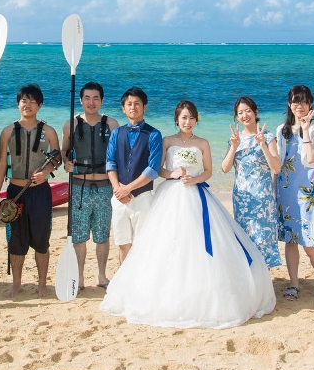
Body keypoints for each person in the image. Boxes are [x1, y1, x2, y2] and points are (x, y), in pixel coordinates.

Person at [100, 101, 275, 328]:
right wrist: (172, 174)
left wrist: (194, 179)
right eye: (183, 118)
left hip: (196, 195)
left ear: (196, 120)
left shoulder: (202, 143)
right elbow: (158, 169)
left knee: (198, 244)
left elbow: (209, 171)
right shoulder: (167, 141)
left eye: (191, 118)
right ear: (177, 119)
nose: (187, 122)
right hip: (170, 195)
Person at [0, 85, 61, 297]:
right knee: (16, 239)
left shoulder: (49, 131)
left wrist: (46, 172)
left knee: (42, 239)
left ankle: (42, 283)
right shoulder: (7, 131)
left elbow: (58, 159)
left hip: (40, 192)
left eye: (32, 101)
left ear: (39, 105)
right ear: (18, 104)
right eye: (24, 100)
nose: (27, 104)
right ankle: (16, 283)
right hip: (15, 191)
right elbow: (1, 166)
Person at [275, 85, 314, 304]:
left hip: (307, 192)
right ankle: (294, 283)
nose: (300, 106)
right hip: (286, 191)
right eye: (295, 101)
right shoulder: (282, 130)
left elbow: (311, 159)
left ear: (311, 104)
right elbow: (278, 164)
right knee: (290, 240)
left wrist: (305, 131)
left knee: (309, 243)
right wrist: (274, 192)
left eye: (304, 101)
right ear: (289, 104)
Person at [61, 82, 119, 289]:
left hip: (104, 187)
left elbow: (119, 156)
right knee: (79, 235)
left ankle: (102, 276)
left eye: (95, 98)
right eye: (87, 98)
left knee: (102, 235)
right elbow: (64, 151)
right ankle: (80, 277)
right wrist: (66, 162)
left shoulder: (112, 125)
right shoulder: (71, 124)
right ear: (81, 100)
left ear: (101, 101)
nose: (91, 102)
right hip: (79, 187)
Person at [219, 96, 282, 270]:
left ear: (256, 112)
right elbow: (224, 168)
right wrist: (233, 146)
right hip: (242, 198)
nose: (245, 115)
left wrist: (262, 145)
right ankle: (252, 282)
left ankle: (264, 285)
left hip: (263, 197)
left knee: (263, 238)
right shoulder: (235, 139)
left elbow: (276, 168)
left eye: (248, 111)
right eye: (240, 113)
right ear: (236, 117)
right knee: (245, 238)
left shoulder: (268, 137)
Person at [105, 87, 163, 262]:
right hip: (118, 196)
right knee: (123, 243)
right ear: (123, 108)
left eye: (137, 103)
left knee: (142, 243)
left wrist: (128, 188)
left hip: (143, 196)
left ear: (144, 107)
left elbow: (153, 169)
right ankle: (124, 281)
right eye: (129, 104)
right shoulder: (116, 133)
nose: (133, 107)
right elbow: (110, 163)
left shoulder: (154, 134)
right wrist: (117, 188)